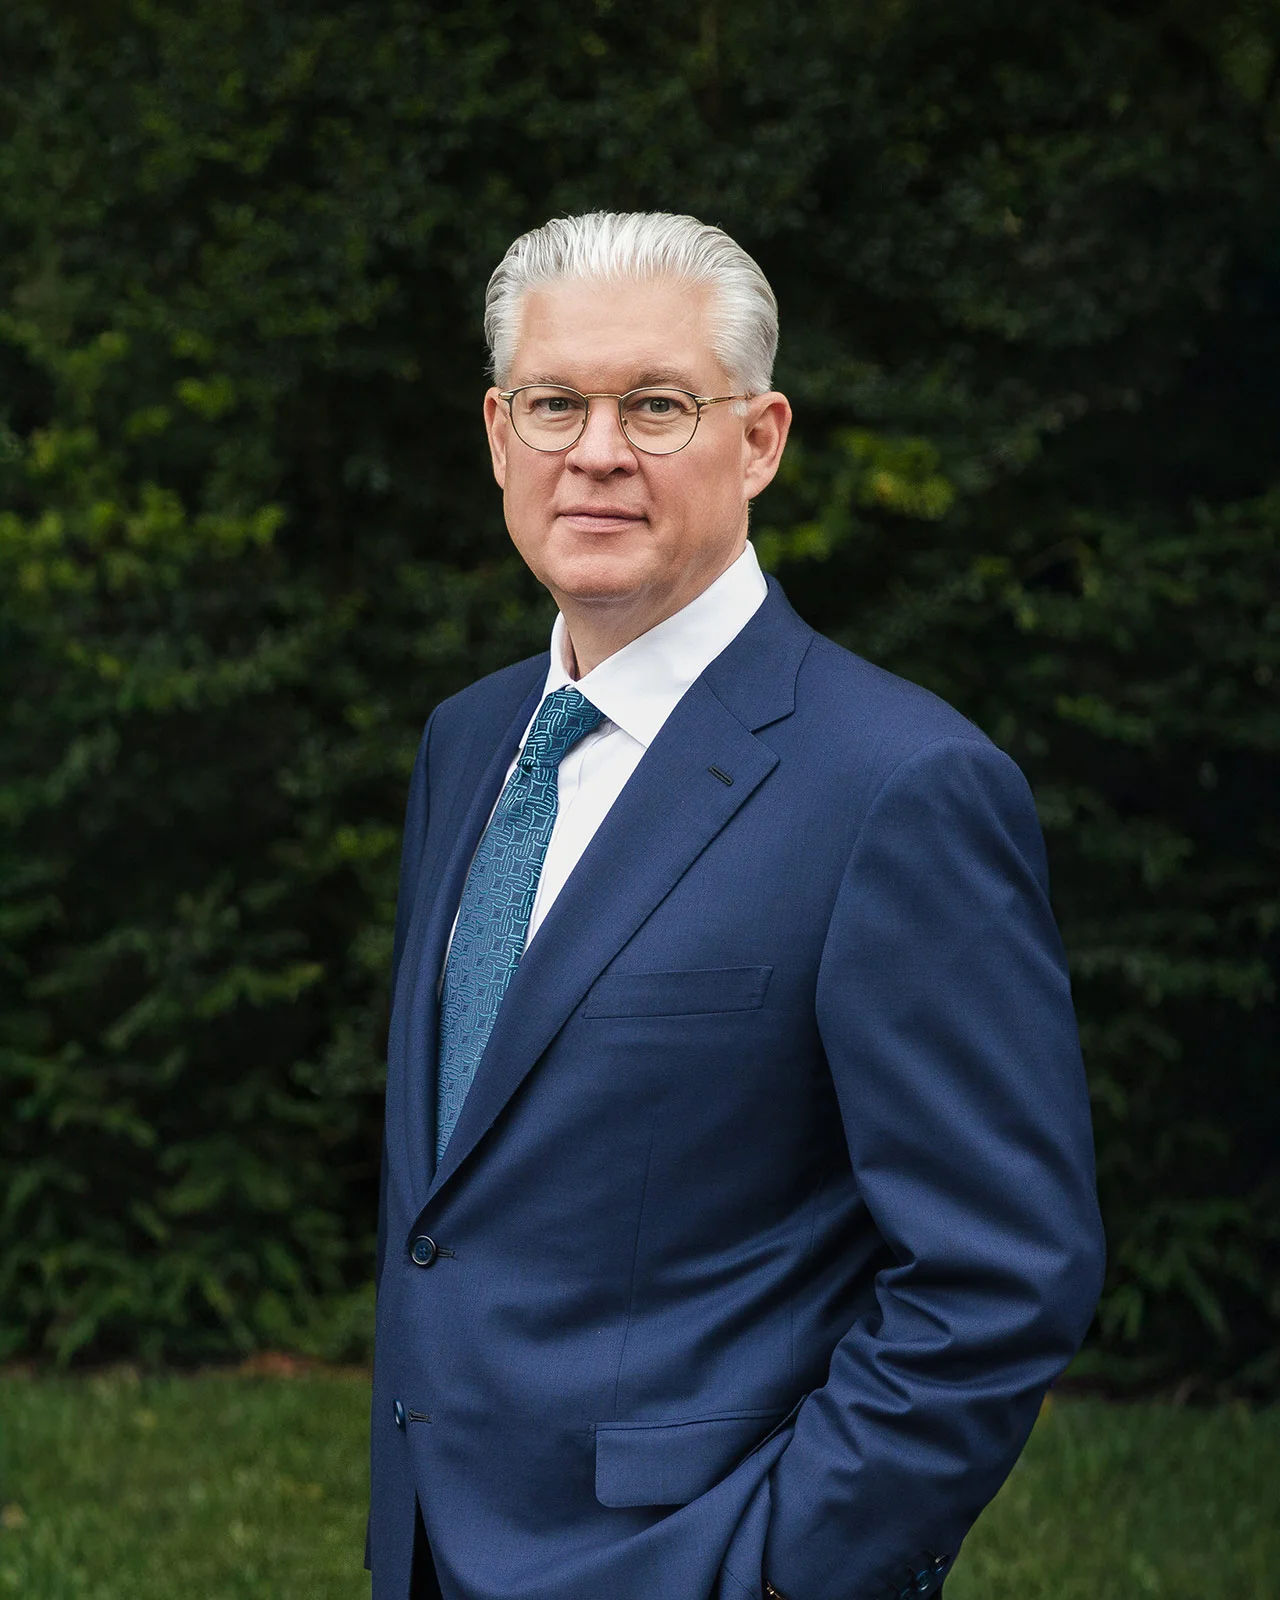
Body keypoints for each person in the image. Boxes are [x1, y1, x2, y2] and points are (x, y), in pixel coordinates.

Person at [366, 211, 1105, 1600]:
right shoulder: (469, 746)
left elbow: (1001, 1274)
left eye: (656, 404)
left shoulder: (899, 787)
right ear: (495, 434)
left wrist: (783, 1572)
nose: (594, 452)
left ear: (758, 439)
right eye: (553, 403)